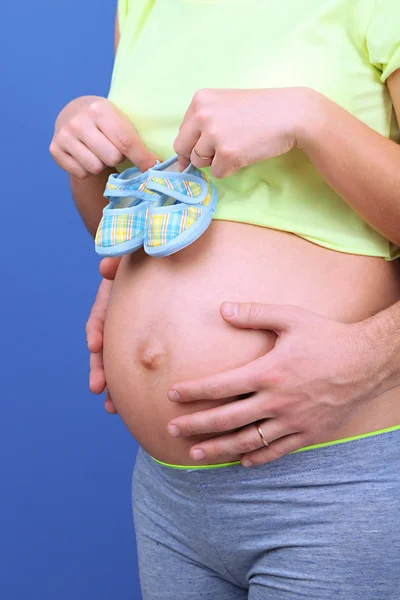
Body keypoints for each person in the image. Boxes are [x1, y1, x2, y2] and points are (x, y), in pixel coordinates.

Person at [50, 0, 400, 597]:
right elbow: (130, 228)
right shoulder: (141, 7)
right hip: (170, 498)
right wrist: (86, 150)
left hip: (333, 481)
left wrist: (309, 119)